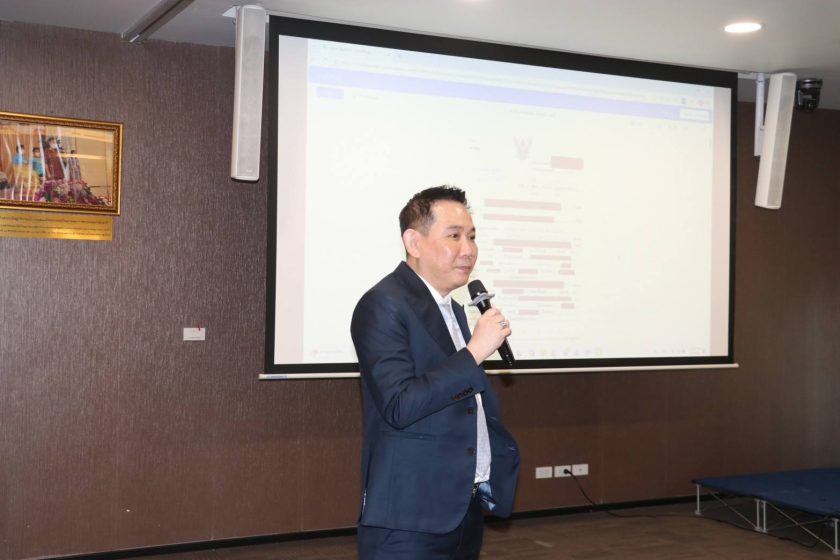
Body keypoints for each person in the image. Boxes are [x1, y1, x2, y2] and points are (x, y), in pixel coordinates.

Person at [351, 185, 520, 560]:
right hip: (409, 517)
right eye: (454, 236)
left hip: (460, 507)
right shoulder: (383, 304)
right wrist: (475, 352)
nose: (468, 249)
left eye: (472, 236)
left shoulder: (454, 309)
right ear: (414, 242)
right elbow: (400, 405)